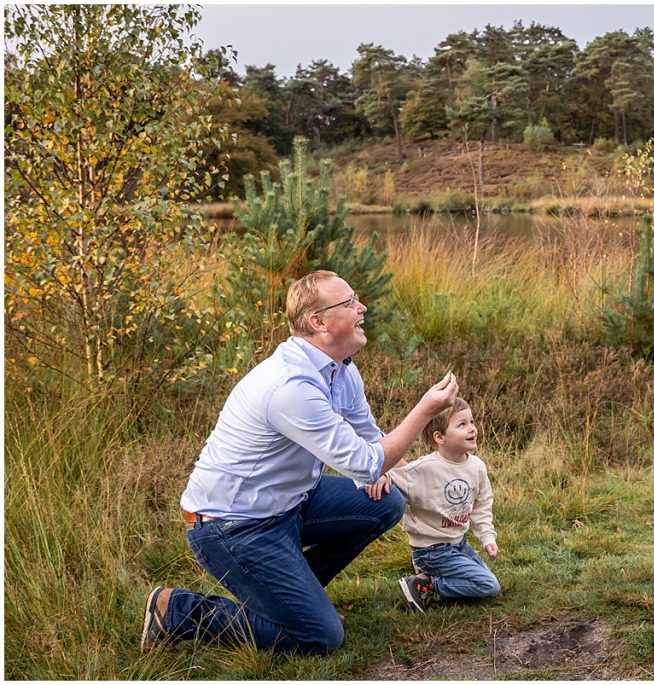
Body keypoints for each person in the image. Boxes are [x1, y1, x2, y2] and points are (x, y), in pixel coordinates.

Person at [140, 270, 460, 655]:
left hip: (291, 503)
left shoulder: (342, 370)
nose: (363, 308)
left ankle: (296, 602)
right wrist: (425, 411)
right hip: (233, 527)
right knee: (319, 639)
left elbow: (372, 442)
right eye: (350, 303)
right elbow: (366, 462)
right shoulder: (291, 386)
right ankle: (177, 611)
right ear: (318, 322)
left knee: (385, 502)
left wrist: (432, 477)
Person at [366, 397, 500, 613]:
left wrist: (487, 537)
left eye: (472, 421)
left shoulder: (477, 468)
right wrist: (382, 476)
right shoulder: (423, 469)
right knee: (488, 585)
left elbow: (482, 505)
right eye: (462, 424)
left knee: (483, 577)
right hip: (431, 549)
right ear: (440, 437)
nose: (472, 429)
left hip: (458, 544)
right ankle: (425, 586)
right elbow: (392, 474)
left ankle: (428, 574)